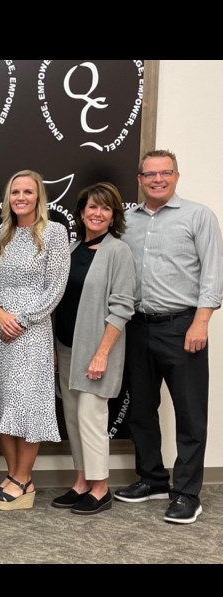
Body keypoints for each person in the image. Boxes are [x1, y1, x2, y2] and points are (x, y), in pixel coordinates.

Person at [116, 150, 222, 524]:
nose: (157, 179)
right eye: (150, 174)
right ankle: (153, 479)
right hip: (136, 325)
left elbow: (213, 273)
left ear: (177, 176)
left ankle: (187, 493)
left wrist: (202, 321)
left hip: (183, 327)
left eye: (165, 173)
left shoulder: (199, 216)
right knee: (141, 410)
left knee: (190, 415)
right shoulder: (126, 221)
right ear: (139, 178)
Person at [0, 169, 69, 510]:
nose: (20, 197)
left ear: (38, 197)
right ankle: (15, 476)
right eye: (15, 191)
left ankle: (22, 479)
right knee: (2, 402)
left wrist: (21, 319)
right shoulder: (0, 234)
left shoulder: (54, 233)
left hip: (32, 333)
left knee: (28, 405)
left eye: (27, 192)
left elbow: (55, 288)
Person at [51, 182, 136, 516]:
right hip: (67, 347)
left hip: (98, 351)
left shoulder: (119, 252)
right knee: (72, 418)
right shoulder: (71, 250)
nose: (97, 213)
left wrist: (102, 353)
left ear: (113, 215)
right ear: (81, 212)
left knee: (91, 418)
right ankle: (81, 482)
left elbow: (123, 308)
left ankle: (101, 488)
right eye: (91, 207)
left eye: (105, 208)